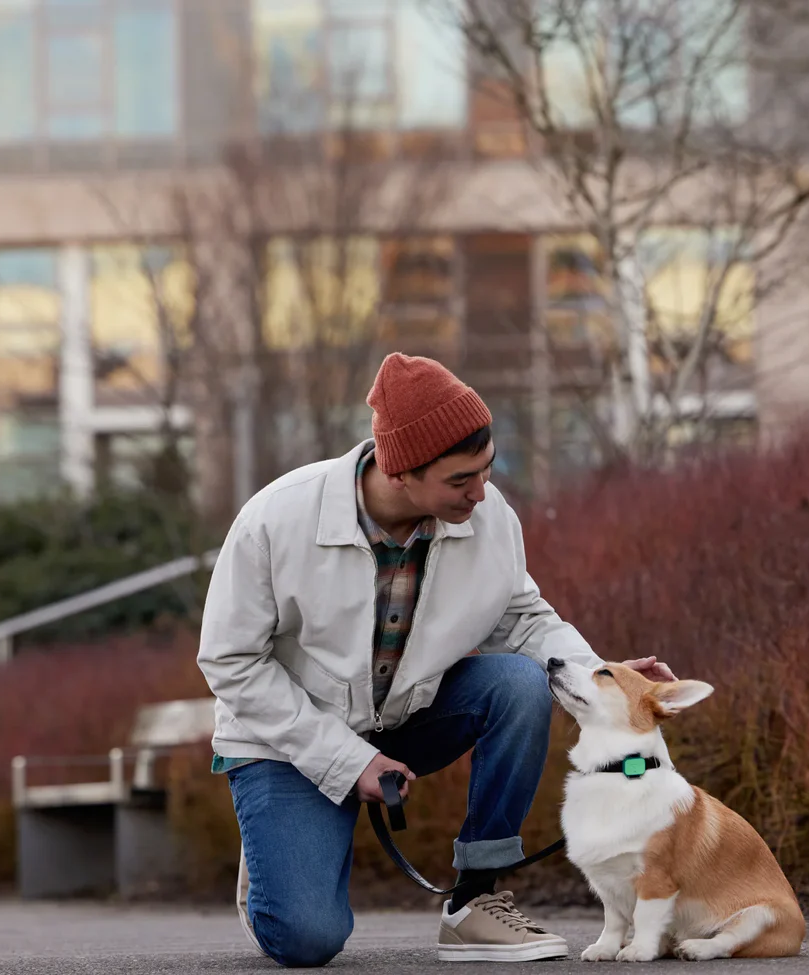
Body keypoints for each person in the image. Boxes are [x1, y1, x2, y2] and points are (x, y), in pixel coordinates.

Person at [197, 352, 675, 967]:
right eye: (460, 481)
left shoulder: (489, 517)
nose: (481, 493)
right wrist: (348, 761)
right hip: (286, 742)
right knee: (306, 939)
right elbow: (231, 663)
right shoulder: (275, 519)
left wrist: (605, 681)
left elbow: (524, 619)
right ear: (399, 473)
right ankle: (278, 858)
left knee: (520, 685)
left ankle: (474, 902)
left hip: (406, 719)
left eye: (486, 469)